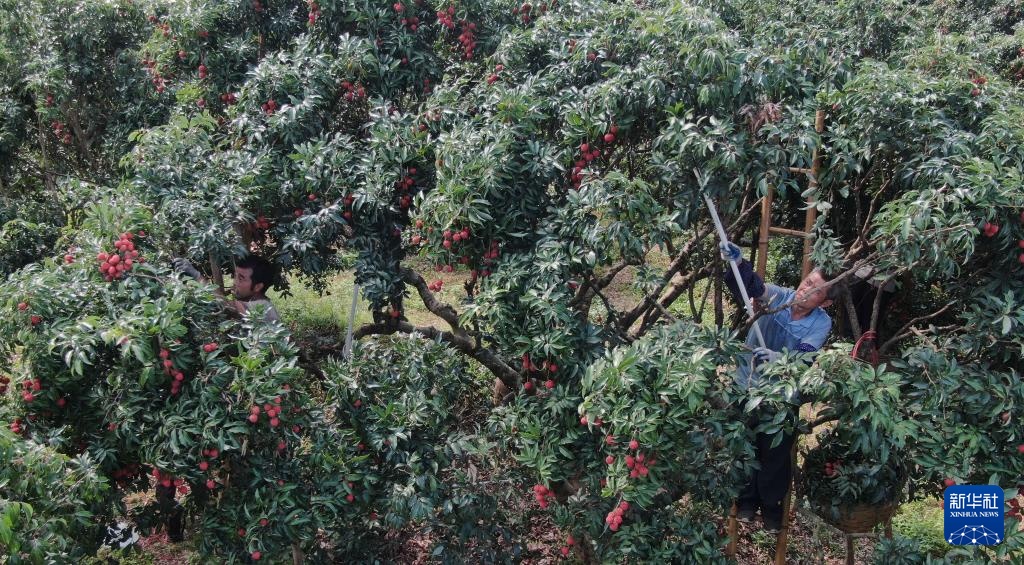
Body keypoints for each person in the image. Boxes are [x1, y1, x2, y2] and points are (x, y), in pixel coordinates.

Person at [720, 240, 838, 533]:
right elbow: (756, 289)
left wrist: (778, 359)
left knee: (775, 452)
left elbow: (804, 358)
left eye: (816, 290)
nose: (806, 289)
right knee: (745, 444)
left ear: (825, 302)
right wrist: (739, 264)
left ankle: (771, 508)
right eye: (807, 281)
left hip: (783, 396)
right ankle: (746, 502)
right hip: (747, 386)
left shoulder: (821, 323)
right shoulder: (779, 298)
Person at [172, 255, 281, 323]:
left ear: (258, 286)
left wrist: (197, 276)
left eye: (241, 279)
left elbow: (225, 305)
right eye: (235, 276)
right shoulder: (253, 303)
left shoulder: (263, 306)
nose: (235, 282)